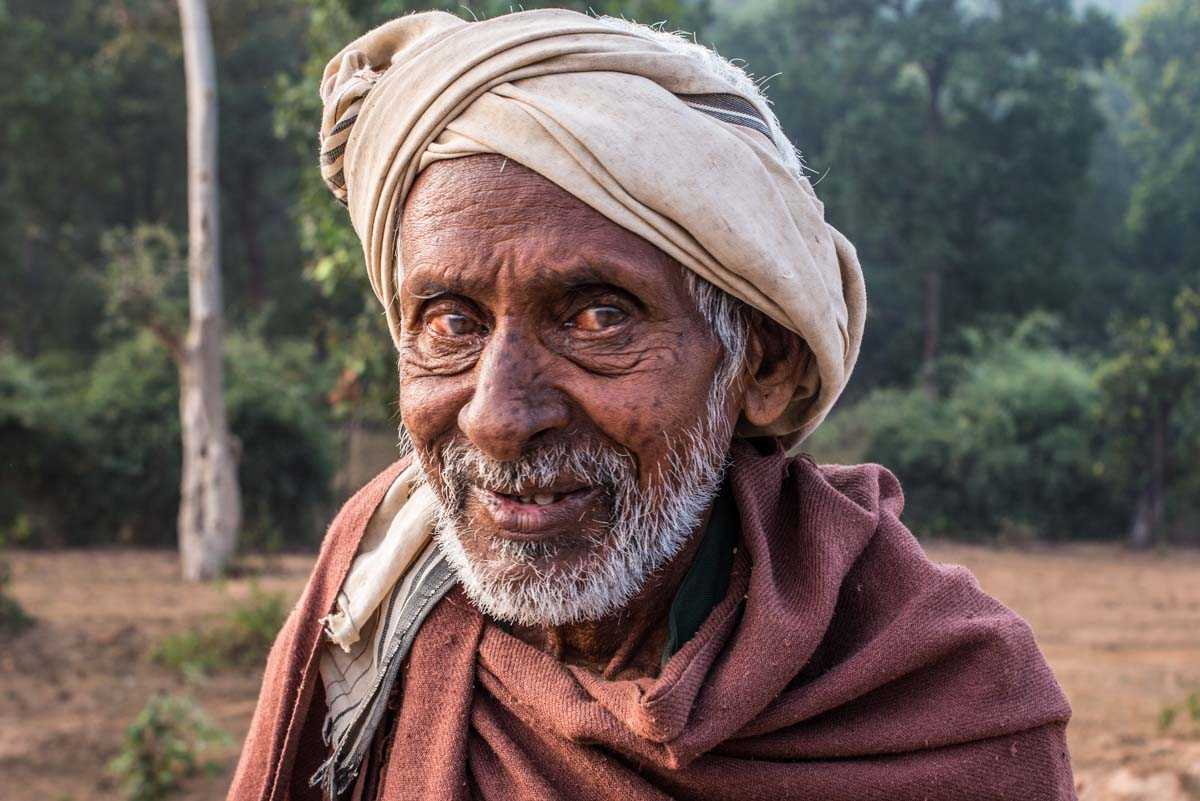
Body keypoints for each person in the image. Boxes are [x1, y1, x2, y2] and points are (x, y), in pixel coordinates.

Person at [228, 9, 1074, 801]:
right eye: (452, 322)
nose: (497, 414)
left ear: (763, 365)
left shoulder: (946, 705)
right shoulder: (380, 578)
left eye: (598, 316)